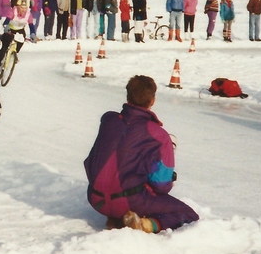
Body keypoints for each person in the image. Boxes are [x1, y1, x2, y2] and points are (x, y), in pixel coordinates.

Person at [84, 75, 198, 233]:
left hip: (96, 199)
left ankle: (117, 218)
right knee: (188, 214)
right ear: (152, 100)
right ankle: (147, 224)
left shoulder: (108, 120)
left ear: (127, 96)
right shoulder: (159, 135)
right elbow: (162, 186)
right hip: (129, 201)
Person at [0, 0, 30, 70]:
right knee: (4, 48)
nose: (23, 10)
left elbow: (31, 25)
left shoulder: (28, 13)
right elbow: (7, 20)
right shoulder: (13, 11)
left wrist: (33, 33)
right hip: (10, 29)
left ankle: (14, 54)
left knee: (20, 43)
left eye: (25, 8)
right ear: (18, 7)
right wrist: (6, 26)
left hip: (20, 30)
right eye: (21, 7)